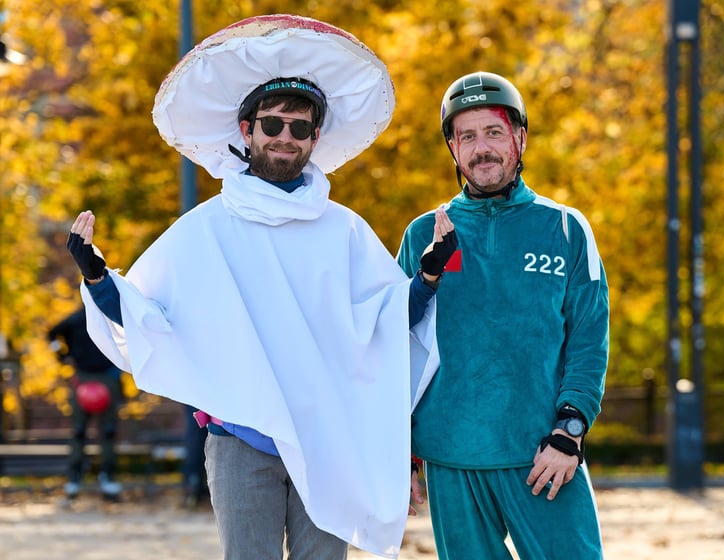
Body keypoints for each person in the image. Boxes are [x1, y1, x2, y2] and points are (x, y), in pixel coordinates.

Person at [66, 15, 455, 560]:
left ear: (316, 139)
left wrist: (429, 276)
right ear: (246, 131)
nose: (285, 138)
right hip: (241, 440)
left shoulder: (343, 229)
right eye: (273, 124)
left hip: (329, 440)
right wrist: (96, 275)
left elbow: (389, 321)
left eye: (300, 128)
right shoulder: (206, 227)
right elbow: (145, 315)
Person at [397, 71, 609, 559]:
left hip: (543, 453)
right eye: (466, 136)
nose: (481, 148)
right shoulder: (423, 234)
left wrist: (570, 429)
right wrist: (401, 446)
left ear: (520, 137)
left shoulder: (565, 228)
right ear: (452, 148)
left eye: (493, 132)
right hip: (450, 458)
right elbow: (395, 344)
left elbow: (588, 340)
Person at [48, 306, 124, 500]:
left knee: (91, 431)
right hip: (94, 378)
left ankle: (92, 478)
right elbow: (51, 334)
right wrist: (62, 357)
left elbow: (51, 335)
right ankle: (81, 478)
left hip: (97, 377)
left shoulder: (79, 317)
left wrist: (62, 358)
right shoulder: (105, 316)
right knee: (90, 430)